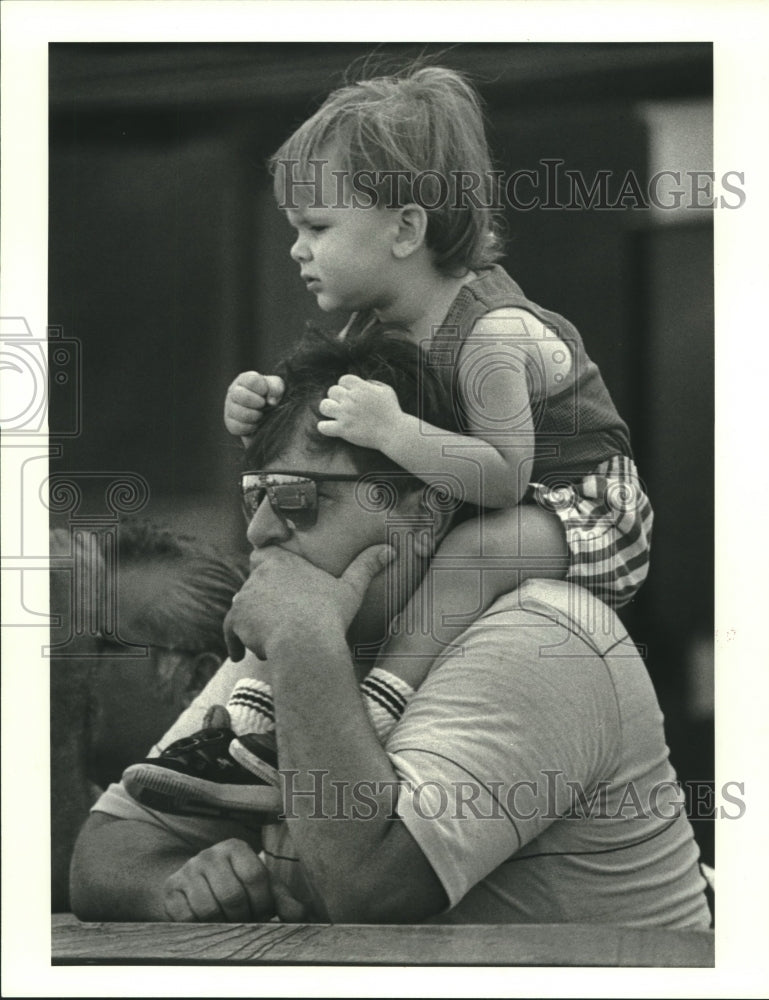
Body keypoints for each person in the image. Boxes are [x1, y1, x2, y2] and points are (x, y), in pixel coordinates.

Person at [123, 62, 654, 813]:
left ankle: (376, 706)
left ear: (406, 227)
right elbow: (322, 441)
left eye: (316, 228)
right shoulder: (372, 326)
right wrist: (258, 406)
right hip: (480, 501)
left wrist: (394, 428)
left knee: (471, 549)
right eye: (293, 230)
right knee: (333, 557)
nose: (295, 251)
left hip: (585, 510)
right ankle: (252, 727)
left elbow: (505, 478)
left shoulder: (491, 336)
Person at [71, 332, 710, 928]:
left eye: (297, 495)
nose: (260, 530)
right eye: (254, 496)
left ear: (422, 511)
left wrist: (302, 646)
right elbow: (106, 850)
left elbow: (370, 889)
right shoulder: (322, 618)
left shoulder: (537, 638)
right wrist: (178, 884)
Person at [49, 519, 245, 910]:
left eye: (95, 643)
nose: (72, 661)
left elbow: (66, 887)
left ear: (197, 679)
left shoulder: (236, 834)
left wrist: (60, 702)